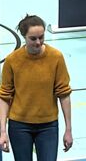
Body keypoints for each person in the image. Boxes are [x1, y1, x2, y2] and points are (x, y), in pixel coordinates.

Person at [0, 15, 73, 160]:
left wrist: (68, 129)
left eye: (41, 37)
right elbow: (4, 97)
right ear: (24, 37)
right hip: (19, 126)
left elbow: (64, 94)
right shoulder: (12, 61)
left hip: (48, 125)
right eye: (33, 39)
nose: (38, 42)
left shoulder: (56, 57)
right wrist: (2, 131)